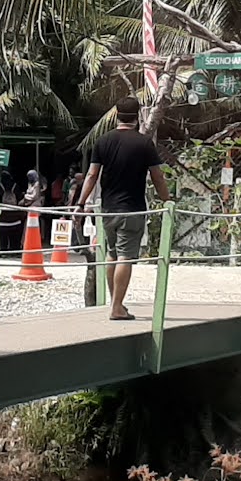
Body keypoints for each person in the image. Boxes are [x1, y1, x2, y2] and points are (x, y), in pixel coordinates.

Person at [74, 98, 167, 320]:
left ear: (116, 115)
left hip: (108, 208)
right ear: (138, 116)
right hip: (133, 208)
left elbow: (92, 175)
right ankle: (116, 307)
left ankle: (117, 303)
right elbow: (157, 176)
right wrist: (167, 199)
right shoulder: (144, 144)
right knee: (125, 257)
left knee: (112, 255)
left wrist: (80, 203)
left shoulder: (103, 141)